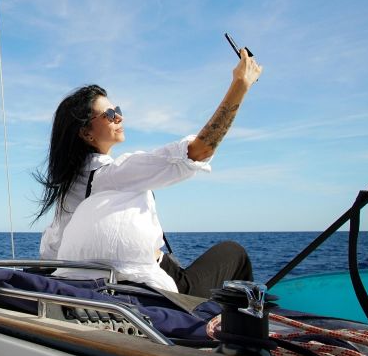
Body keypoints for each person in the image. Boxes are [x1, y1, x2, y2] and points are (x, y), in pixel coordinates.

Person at [35, 49, 261, 298]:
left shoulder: (69, 185)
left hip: (101, 281)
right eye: (109, 114)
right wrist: (241, 84)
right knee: (233, 252)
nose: (119, 116)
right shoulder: (113, 174)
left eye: (117, 109)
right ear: (86, 133)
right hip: (152, 279)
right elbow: (200, 150)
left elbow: (53, 251)